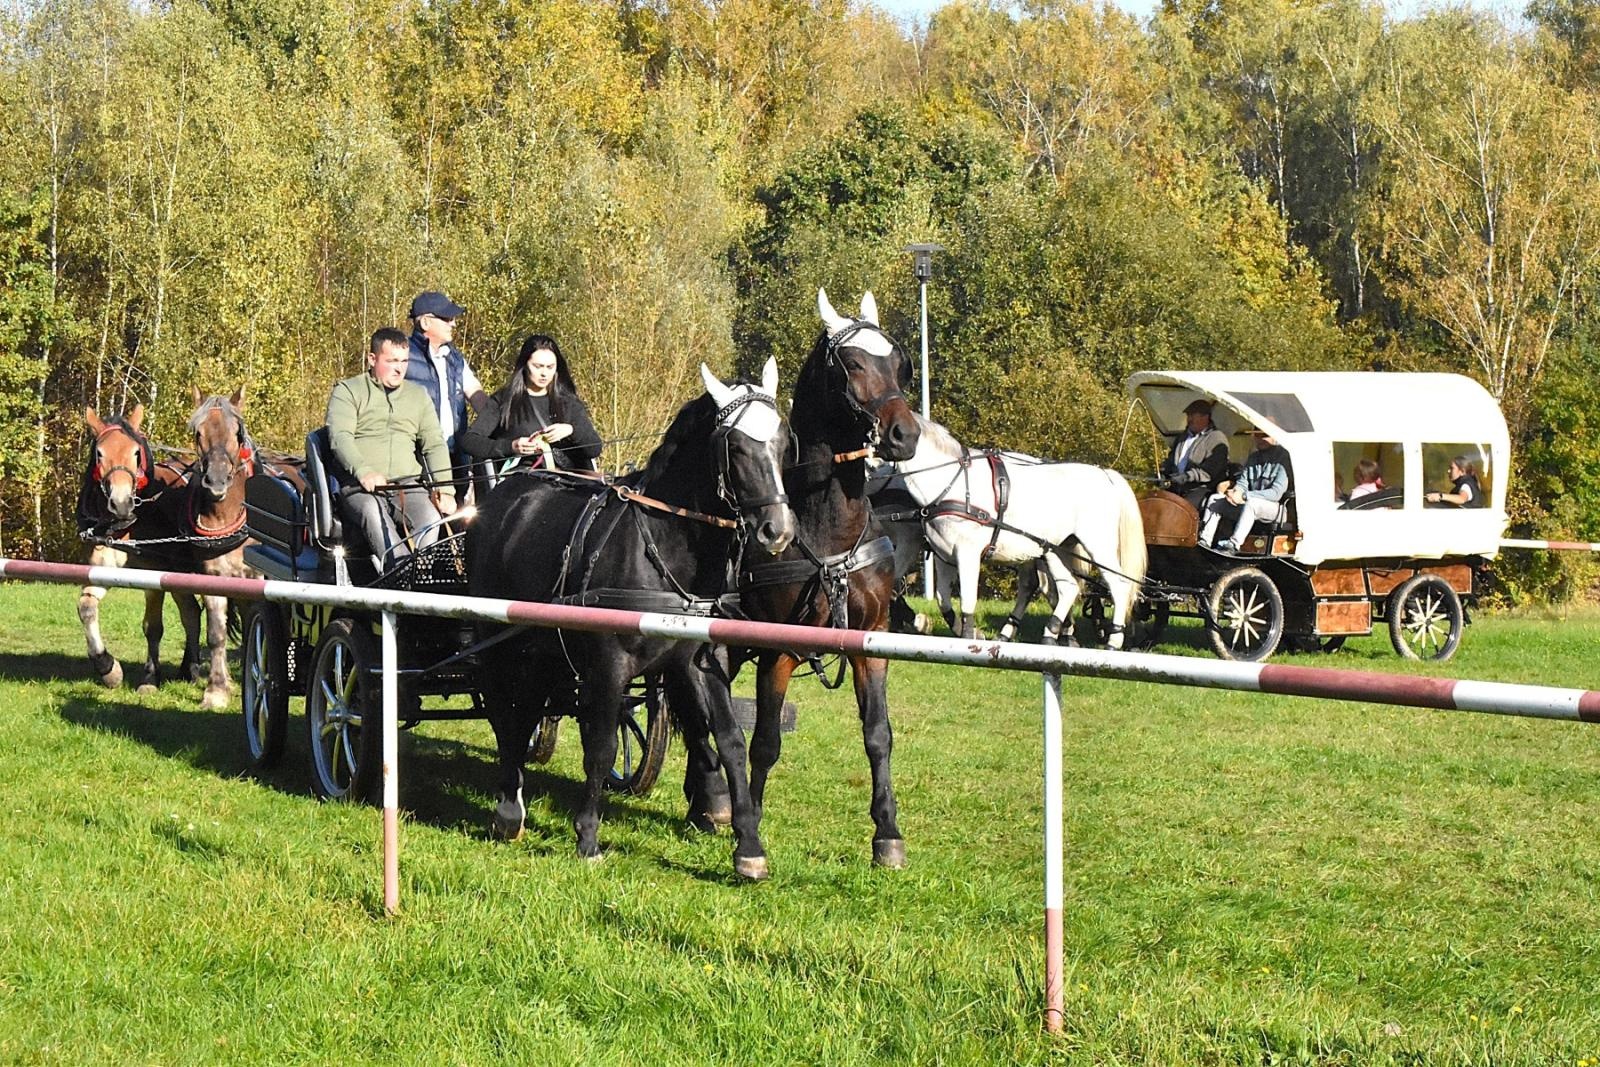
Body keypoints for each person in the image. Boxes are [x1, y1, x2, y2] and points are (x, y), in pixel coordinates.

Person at [326, 327, 457, 568]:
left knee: (430, 517)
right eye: (392, 361)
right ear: (372, 359)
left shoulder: (418, 396)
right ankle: (399, 575)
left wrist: (446, 489)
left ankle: (420, 577)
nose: (400, 368)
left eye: (404, 361)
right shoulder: (348, 391)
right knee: (373, 514)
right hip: (359, 489)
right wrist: (364, 471)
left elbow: (435, 444)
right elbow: (339, 438)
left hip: (407, 485)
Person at [458, 334, 603, 475]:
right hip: (522, 483)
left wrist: (571, 430)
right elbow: (470, 441)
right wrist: (512, 446)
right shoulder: (504, 400)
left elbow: (594, 448)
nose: (544, 373)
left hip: (568, 482)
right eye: (538, 366)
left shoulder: (568, 402)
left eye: (550, 367)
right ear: (524, 365)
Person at [406, 290, 489, 481]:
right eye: (446, 318)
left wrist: (502, 423)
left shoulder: (455, 359)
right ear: (425, 322)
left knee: (461, 510)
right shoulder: (402, 357)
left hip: (455, 456)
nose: (453, 323)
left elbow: (478, 398)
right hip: (418, 457)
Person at [1199, 427, 1291, 551]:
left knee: (1252, 503)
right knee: (1215, 499)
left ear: (1274, 436)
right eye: (1257, 436)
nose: (1260, 439)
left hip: (1277, 509)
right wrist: (1235, 492)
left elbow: (1275, 494)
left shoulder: (1284, 458)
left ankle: (1233, 545)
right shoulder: (1253, 458)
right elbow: (1243, 482)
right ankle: (1205, 540)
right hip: (1249, 504)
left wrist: (1243, 496)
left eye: (1265, 435)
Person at [1159, 398, 1230, 509]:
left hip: (1201, 489)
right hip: (1177, 487)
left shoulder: (1217, 438)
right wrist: (1163, 471)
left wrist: (1188, 476)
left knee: (1182, 510)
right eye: (1188, 416)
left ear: (1205, 417)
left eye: (1192, 415)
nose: (1189, 419)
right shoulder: (1182, 437)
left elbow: (1210, 471)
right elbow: (1171, 459)